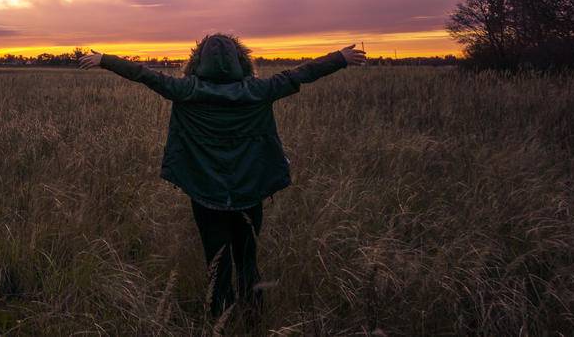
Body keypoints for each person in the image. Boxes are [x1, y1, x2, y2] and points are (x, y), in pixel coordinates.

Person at [78, 35, 366, 321]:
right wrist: (340, 58)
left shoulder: (186, 89)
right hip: (249, 193)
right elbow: (302, 73)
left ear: (198, 62)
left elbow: (144, 75)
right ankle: (253, 320)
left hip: (206, 196)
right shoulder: (260, 90)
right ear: (240, 61)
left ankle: (220, 322)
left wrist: (104, 60)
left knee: (217, 265)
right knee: (247, 260)